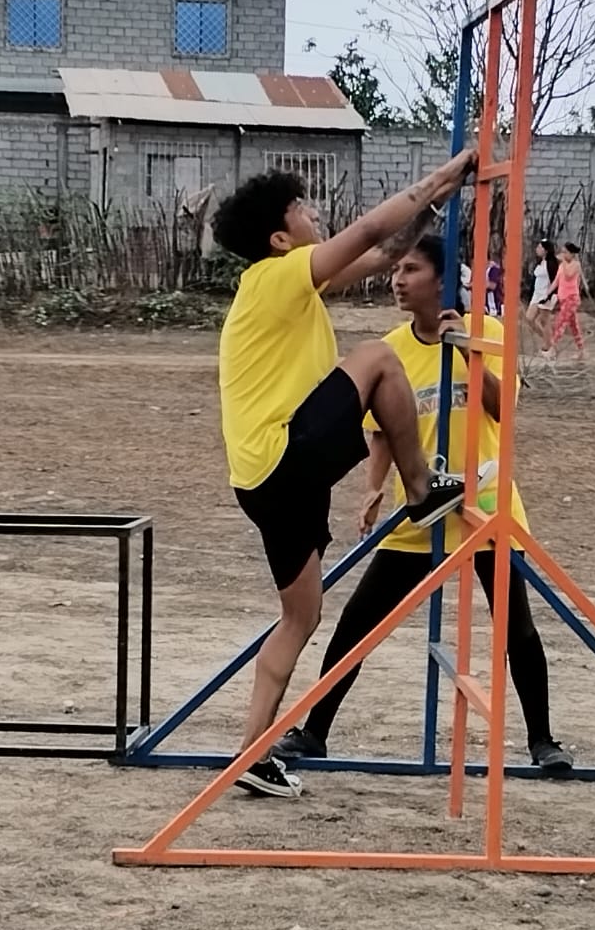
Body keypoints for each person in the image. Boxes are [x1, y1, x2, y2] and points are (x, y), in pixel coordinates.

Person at [211, 154, 476, 798]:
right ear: (281, 238)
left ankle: (250, 755)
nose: (315, 215)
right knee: (379, 357)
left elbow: (384, 253)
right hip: (283, 455)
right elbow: (366, 233)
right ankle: (422, 488)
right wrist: (441, 177)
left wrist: (434, 209)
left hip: (261, 480)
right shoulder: (276, 275)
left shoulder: (289, 282)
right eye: (302, 210)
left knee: (300, 616)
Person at [272, 232, 574, 776]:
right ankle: (313, 732)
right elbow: (384, 432)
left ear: (442, 278)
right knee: (357, 622)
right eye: (396, 270)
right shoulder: (392, 349)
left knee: (517, 629)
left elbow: (503, 410)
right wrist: (371, 489)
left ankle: (542, 740)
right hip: (422, 508)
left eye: (410, 269)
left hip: (486, 509)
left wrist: (467, 351)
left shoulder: (488, 333)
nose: (397, 280)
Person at [544, 241, 586, 359]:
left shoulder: (575, 264)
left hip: (571, 298)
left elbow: (569, 275)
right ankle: (581, 351)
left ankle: (552, 349)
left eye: (565, 252)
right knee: (574, 326)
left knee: (561, 322)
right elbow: (557, 281)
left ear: (571, 254)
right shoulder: (562, 266)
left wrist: (563, 261)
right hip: (563, 298)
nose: (563, 254)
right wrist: (547, 293)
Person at [527, 239, 558, 350]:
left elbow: (555, 281)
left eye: (540, 247)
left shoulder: (551, 264)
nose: (537, 249)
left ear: (546, 250)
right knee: (529, 318)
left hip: (546, 294)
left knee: (545, 321)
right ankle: (548, 340)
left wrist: (550, 296)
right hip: (537, 294)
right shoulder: (540, 262)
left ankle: (548, 344)